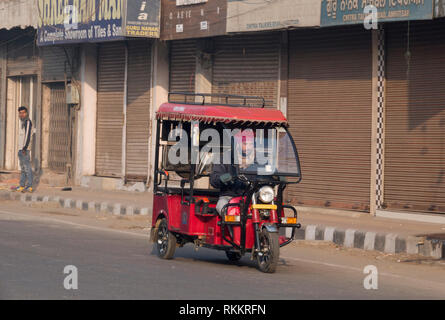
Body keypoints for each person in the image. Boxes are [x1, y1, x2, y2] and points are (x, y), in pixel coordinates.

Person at [210, 130, 255, 215]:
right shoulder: (225, 158)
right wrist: (227, 177)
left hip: (253, 199)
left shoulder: (257, 161)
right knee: (225, 208)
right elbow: (214, 179)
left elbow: (267, 172)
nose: (248, 147)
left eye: (251, 144)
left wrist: (276, 175)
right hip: (229, 197)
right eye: (245, 144)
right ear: (237, 144)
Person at [16, 106, 33, 193]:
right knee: (23, 168)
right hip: (20, 149)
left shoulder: (27, 122)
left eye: (23, 113)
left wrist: (24, 148)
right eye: (20, 113)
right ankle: (22, 185)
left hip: (24, 150)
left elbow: (27, 135)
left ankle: (29, 186)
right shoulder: (22, 122)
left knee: (27, 168)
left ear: (26, 113)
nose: (22, 114)